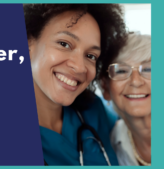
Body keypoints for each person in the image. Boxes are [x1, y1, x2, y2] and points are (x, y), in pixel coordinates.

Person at [23, 4, 127, 165]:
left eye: (91, 55)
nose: (79, 67)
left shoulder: (92, 109)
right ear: (28, 43)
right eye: (64, 44)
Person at [98, 34, 151, 166]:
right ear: (105, 87)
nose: (136, 81)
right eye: (121, 71)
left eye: (148, 69)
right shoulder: (112, 141)